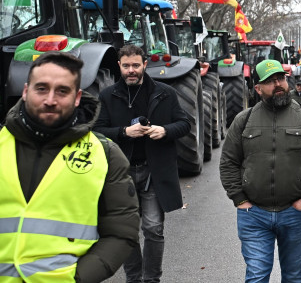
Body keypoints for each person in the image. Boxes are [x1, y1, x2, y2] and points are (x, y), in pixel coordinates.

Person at [1, 51, 139, 282]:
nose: (50, 100)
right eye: (41, 88)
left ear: (77, 97)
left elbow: (121, 233)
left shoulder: (104, 155)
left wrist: (77, 279)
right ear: (26, 92)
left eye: (62, 91)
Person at [221, 60, 301, 283]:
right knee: (256, 276)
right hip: (253, 215)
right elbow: (228, 162)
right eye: (270, 81)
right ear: (258, 88)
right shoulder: (244, 120)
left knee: (293, 277)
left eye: (281, 79)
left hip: (293, 213)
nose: (278, 84)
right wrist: (239, 199)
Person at [95, 44, 193, 283]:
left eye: (135, 65)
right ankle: (133, 278)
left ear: (144, 65)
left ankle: (151, 279)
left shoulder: (164, 93)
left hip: (154, 172)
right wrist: (123, 131)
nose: (131, 70)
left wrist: (164, 130)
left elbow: (184, 123)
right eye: (126, 66)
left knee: (153, 228)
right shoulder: (107, 96)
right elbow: (96, 130)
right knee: (126, 232)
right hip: (121, 173)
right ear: (119, 66)